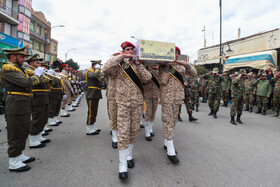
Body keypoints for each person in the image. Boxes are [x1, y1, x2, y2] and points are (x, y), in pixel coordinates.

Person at [102, 41, 152, 180]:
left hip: (137, 104)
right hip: (123, 104)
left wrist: (139, 64)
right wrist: (121, 57)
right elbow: (105, 70)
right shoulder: (118, 65)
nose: (130, 51)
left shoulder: (138, 66)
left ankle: (129, 155)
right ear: (124, 51)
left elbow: (148, 78)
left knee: (133, 131)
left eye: (132, 50)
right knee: (123, 133)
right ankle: (122, 165)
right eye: (127, 49)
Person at [1, 47, 45, 172]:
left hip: (23, 105)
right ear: (13, 57)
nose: (24, 59)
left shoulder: (19, 69)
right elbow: (26, 83)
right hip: (16, 105)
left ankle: (19, 154)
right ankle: (13, 160)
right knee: (16, 132)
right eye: (22, 57)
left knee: (23, 130)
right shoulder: (8, 69)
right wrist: (37, 75)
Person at [159, 46, 197, 165]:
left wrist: (185, 64)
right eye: (172, 53)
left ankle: (166, 142)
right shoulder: (163, 66)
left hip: (178, 97)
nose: (175, 55)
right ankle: (170, 149)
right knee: (167, 120)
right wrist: (166, 67)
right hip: (167, 97)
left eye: (176, 53)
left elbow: (194, 73)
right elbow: (163, 81)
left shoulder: (181, 66)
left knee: (173, 121)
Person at [26, 55, 51, 148]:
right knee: (37, 118)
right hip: (37, 97)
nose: (40, 64)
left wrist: (45, 74)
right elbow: (37, 81)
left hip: (44, 96)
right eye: (37, 63)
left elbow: (47, 81)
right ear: (31, 64)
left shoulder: (38, 71)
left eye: (40, 63)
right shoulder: (29, 71)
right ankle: (33, 140)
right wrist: (40, 75)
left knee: (43, 117)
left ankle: (38, 136)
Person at [102, 53, 119, 149]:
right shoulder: (110, 67)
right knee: (113, 116)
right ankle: (114, 137)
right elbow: (104, 71)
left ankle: (119, 133)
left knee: (121, 117)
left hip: (123, 95)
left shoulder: (124, 67)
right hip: (112, 95)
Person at [85, 60, 103, 135]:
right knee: (91, 112)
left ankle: (92, 126)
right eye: (98, 66)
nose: (99, 68)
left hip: (95, 94)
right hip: (91, 94)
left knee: (94, 111)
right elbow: (93, 76)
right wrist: (98, 70)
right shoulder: (89, 72)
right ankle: (89, 128)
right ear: (94, 65)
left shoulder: (94, 72)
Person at [143, 65, 160, 141]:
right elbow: (143, 80)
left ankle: (150, 128)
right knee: (148, 113)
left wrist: (159, 70)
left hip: (156, 94)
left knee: (153, 112)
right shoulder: (146, 68)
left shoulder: (160, 69)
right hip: (147, 94)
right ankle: (147, 132)